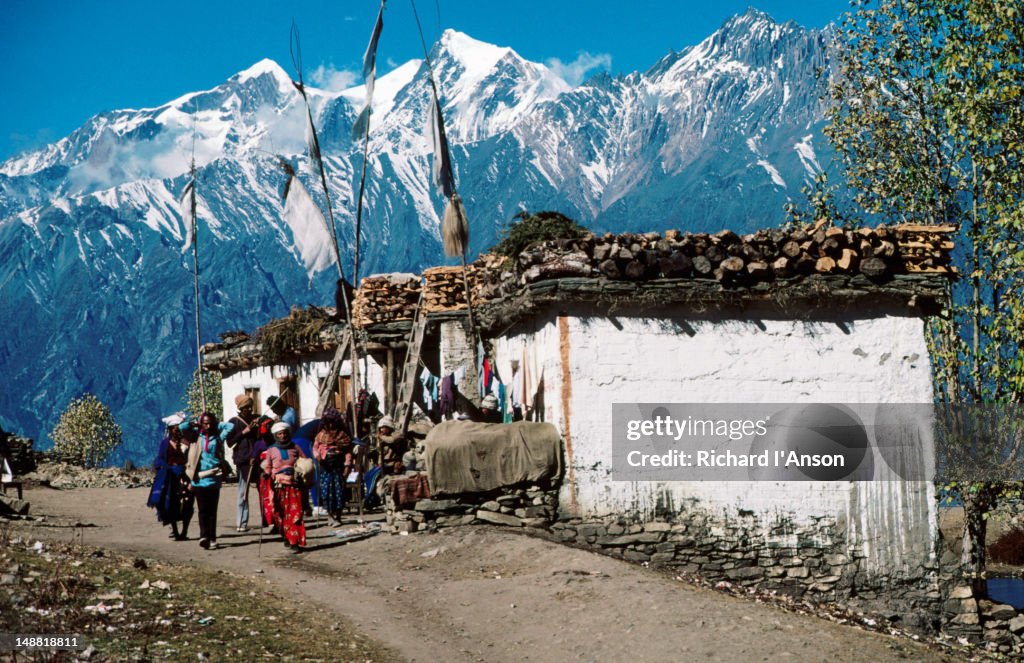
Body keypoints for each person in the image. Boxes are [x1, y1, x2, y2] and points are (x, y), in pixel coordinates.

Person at [184, 412, 234, 550]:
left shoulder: (218, 437)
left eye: (210, 423)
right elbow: (183, 428)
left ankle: (212, 538)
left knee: (212, 510)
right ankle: (204, 536)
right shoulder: (196, 437)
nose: (208, 426)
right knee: (202, 510)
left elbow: (230, 426)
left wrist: (218, 424)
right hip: (199, 478)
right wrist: (194, 423)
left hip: (214, 478)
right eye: (205, 423)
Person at [146, 413, 194, 540]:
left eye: (179, 427)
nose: (177, 430)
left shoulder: (187, 443)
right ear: (170, 430)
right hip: (170, 478)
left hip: (185, 476)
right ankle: (175, 531)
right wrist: (166, 468)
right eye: (175, 428)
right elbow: (160, 459)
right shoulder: (165, 444)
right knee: (172, 504)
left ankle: (184, 531)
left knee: (188, 504)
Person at [260, 422, 307, 552]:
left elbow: (305, 462)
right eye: (279, 434)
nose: (283, 436)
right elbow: (268, 466)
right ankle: (286, 536)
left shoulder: (295, 448)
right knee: (280, 514)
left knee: (295, 514)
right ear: (275, 435)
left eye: (285, 433)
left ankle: (294, 541)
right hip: (278, 486)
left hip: (294, 486)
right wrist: (266, 474)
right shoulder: (271, 450)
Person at [313, 406, 354, 525]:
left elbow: (348, 452)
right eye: (328, 423)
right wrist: (318, 456)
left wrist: (347, 466)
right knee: (326, 492)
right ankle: (330, 516)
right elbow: (315, 448)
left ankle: (338, 516)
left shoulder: (343, 435)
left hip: (338, 468)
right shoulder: (321, 435)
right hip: (325, 467)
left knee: (339, 492)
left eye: (333, 423)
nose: (330, 425)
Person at [225, 394, 259, 532]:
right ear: (240, 408)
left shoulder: (256, 419)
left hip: (256, 459)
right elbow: (230, 442)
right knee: (242, 492)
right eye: (245, 408)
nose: (248, 410)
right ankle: (241, 522)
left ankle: (269, 521)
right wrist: (244, 432)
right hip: (242, 460)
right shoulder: (234, 422)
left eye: (249, 407)